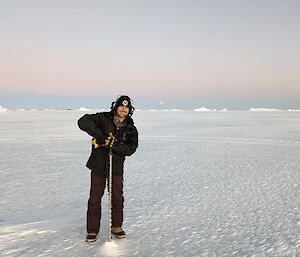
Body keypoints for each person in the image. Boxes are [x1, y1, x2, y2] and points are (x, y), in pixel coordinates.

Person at [78, 95, 138, 242]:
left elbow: (131, 148)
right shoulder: (103, 118)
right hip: (98, 165)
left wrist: (115, 145)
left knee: (117, 197)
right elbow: (83, 121)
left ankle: (116, 226)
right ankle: (92, 230)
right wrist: (100, 136)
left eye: (126, 107)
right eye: (121, 106)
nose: (124, 109)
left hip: (116, 167)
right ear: (116, 107)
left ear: (129, 110)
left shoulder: (130, 128)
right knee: (95, 198)